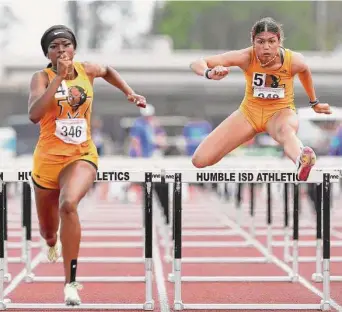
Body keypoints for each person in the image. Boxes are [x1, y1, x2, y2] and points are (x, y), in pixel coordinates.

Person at [28, 25, 146, 306]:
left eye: (66, 45)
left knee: (68, 204)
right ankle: (51, 242)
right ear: (48, 53)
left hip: (81, 155)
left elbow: (109, 71)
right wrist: (58, 78)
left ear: (74, 49)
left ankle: (70, 283)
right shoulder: (41, 78)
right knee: (47, 231)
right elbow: (34, 114)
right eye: (55, 46)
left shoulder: (88, 70)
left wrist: (129, 92)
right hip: (47, 161)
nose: (62, 50)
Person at [189, 17, 332, 181]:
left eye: (271, 41)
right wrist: (209, 73)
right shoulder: (245, 57)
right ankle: (301, 158)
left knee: (286, 132)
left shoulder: (294, 61)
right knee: (199, 160)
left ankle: (302, 159)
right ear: (253, 42)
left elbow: (305, 71)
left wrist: (314, 102)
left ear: (279, 41)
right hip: (249, 114)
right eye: (260, 42)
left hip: (280, 113)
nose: (266, 47)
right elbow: (197, 63)